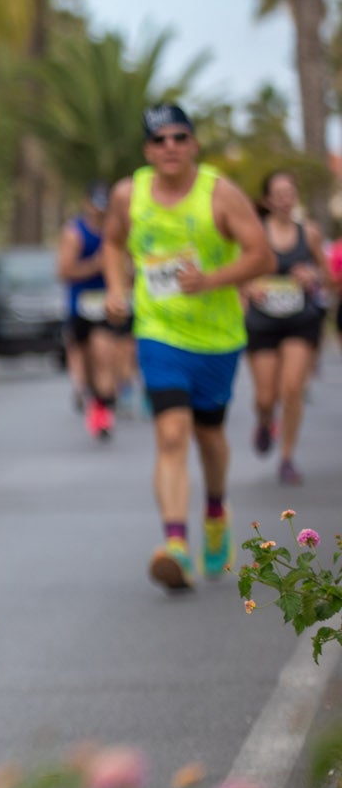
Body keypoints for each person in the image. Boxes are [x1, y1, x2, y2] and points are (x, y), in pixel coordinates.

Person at [102, 104, 272, 592]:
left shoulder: (220, 193)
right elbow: (114, 243)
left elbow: (263, 254)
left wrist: (212, 280)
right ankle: (176, 545)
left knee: (210, 439)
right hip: (159, 334)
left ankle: (216, 510)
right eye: (159, 140)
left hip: (218, 339)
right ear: (146, 150)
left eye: (179, 137)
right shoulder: (128, 194)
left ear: (194, 144)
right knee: (172, 434)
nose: (170, 147)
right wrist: (116, 288)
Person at [242, 169, 329, 486]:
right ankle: (265, 420)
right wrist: (248, 287)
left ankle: (287, 457)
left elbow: (328, 276)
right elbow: (238, 272)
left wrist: (314, 278)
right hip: (262, 322)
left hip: (299, 320)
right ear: (267, 199)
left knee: (291, 390)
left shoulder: (311, 233)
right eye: (277, 194)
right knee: (266, 397)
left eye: (289, 193)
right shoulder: (254, 232)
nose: (284, 200)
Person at [58, 184, 128, 441]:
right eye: (96, 203)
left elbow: (129, 266)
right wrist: (95, 265)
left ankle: (105, 409)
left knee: (105, 355)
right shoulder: (75, 233)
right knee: (87, 366)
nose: (100, 210)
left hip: (108, 307)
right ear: (87, 204)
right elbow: (64, 271)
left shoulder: (118, 232)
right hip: (81, 307)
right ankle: (95, 400)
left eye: (104, 204)